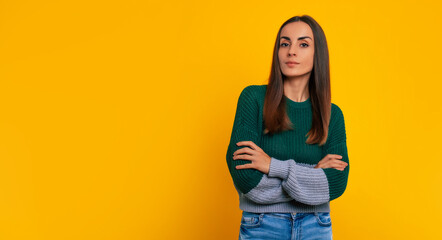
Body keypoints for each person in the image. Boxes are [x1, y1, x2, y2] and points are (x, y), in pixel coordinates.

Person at [226, 15, 350, 240]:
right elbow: (246, 178)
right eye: (285, 43)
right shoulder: (253, 98)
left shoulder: (333, 114)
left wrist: (272, 166)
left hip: (317, 227)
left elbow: (336, 184)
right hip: (262, 226)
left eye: (303, 44)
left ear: (317, 54)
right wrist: (313, 175)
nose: (291, 51)